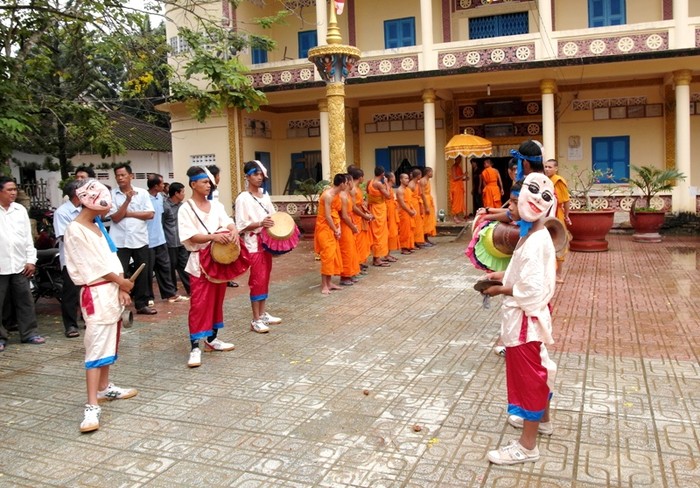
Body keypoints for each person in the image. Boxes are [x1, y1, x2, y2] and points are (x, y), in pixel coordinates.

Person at [481, 172, 558, 465]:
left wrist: (501, 288)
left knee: (528, 379)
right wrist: (500, 275)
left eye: (514, 202)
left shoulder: (537, 240)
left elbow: (532, 288)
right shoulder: (531, 233)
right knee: (539, 369)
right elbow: (522, 272)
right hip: (527, 318)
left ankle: (527, 446)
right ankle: (544, 422)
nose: (510, 208)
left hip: (525, 320)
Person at [64, 179, 137, 433]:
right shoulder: (76, 229)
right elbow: (94, 266)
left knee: (109, 341)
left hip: (110, 292)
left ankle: (105, 388)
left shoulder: (96, 226)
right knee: (95, 347)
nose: (109, 209)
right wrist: (122, 283)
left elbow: (110, 259)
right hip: (96, 293)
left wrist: (120, 288)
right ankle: (92, 404)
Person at [178, 166, 238, 368]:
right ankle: (195, 346)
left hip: (218, 261)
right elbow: (190, 236)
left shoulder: (217, 205)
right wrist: (214, 237)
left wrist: (233, 230)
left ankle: (212, 340)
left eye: (209, 182)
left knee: (216, 301)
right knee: (199, 303)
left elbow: (228, 222)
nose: (208, 185)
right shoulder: (186, 209)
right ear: (193, 184)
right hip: (199, 261)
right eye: (204, 182)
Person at [234, 160, 283, 333]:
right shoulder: (243, 198)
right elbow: (240, 225)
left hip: (266, 243)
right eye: (255, 174)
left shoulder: (265, 195)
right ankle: (255, 319)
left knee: (265, 277)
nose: (259, 177)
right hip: (253, 244)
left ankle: (262, 314)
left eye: (261, 174)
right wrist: (260, 223)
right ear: (247, 177)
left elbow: (273, 216)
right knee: (257, 279)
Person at [0, 176, 46, 352]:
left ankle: (29, 333)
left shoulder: (19, 210)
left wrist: (30, 260)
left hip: (19, 264)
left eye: (14, 190)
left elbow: (28, 238)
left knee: (25, 300)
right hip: (1, 265)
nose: (13, 193)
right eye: (9, 190)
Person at [108, 164, 156, 315]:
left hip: (139, 238)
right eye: (118, 175)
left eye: (123, 175)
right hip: (119, 240)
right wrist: (127, 201)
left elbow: (150, 214)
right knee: (118, 271)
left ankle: (141, 304)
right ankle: (117, 303)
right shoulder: (112, 194)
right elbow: (115, 218)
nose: (120, 178)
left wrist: (127, 214)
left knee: (142, 271)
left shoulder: (142, 193)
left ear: (131, 176)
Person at [146, 173, 188, 304]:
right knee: (150, 270)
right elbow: (162, 221)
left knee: (169, 267)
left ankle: (171, 293)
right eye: (161, 183)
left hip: (166, 241)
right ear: (155, 185)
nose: (164, 185)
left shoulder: (161, 199)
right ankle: (148, 297)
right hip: (153, 240)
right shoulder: (147, 199)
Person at [53, 179, 83, 338]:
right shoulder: (62, 212)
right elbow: (66, 237)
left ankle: (87, 318)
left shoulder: (86, 210)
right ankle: (70, 325)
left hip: (88, 258)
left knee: (87, 291)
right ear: (76, 194)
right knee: (71, 293)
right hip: (72, 259)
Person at [314, 173, 345, 294]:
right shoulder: (327, 195)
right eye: (346, 183)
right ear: (342, 184)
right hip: (324, 229)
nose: (347, 185)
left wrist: (338, 228)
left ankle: (329, 282)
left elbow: (335, 213)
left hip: (332, 228)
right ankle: (324, 285)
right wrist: (336, 229)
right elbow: (327, 216)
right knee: (327, 256)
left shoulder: (337, 195)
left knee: (332, 255)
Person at [544, 159, 571, 283]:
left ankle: (559, 274)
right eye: (546, 167)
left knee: (559, 243)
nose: (547, 169)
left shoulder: (558, 181)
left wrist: (566, 215)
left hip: (557, 214)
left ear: (556, 169)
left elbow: (566, 200)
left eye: (550, 167)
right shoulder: (544, 181)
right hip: (546, 214)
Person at [163, 182, 190, 296]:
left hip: (181, 241)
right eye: (182, 191)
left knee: (184, 265)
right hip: (170, 242)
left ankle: (191, 289)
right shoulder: (165, 206)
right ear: (176, 193)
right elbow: (161, 224)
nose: (184, 194)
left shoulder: (182, 206)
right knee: (171, 267)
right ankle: (172, 292)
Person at [348, 167, 373, 274]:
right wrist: (364, 215)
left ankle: (360, 262)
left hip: (360, 217)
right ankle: (356, 264)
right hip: (355, 218)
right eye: (363, 176)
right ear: (360, 177)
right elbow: (353, 207)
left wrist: (367, 213)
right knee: (357, 241)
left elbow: (361, 204)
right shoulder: (353, 189)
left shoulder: (357, 188)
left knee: (362, 241)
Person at [367, 167, 391, 267]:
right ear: (382, 174)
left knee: (376, 232)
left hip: (373, 208)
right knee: (379, 234)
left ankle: (377, 257)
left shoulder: (369, 182)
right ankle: (377, 259)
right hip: (379, 209)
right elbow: (388, 195)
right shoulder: (378, 183)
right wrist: (386, 184)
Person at [339, 174, 360, 286]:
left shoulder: (347, 195)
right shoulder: (342, 196)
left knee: (351, 250)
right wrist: (353, 226)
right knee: (346, 251)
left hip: (350, 224)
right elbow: (344, 215)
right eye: (352, 181)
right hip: (345, 225)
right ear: (348, 182)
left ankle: (350, 273)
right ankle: (344, 276)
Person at [396, 172, 416, 254]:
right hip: (404, 212)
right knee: (404, 230)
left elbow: (410, 201)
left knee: (410, 229)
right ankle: (404, 248)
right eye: (405, 178)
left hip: (409, 210)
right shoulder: (399, 190)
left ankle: (409, 246)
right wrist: (410, 211)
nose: (407, 180)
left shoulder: (408, 189)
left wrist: (413, 209)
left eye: (408, 178)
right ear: (401, 180)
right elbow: (402, 203)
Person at [408, 168, 426, 248]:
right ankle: (414, 242)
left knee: (419, 223)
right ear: (418, 176)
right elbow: (408, 197)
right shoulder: (411, 184)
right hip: (413, 205)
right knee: (414, 224)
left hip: (418, 204)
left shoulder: (417, 183)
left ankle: (418, 241)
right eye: (420, 175)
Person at [385, 171, 400, 258]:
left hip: (392, 212)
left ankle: (388, 253)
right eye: (394, 176)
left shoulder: (390, 188)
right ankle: (386, 254)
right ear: (390, 178)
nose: (395, 178)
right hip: (388, 213)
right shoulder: (385, 188)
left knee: (393, 232)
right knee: (389, 233)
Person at [421, 167, 437, 246]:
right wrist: (426, 206)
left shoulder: (427, 180)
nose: (432, 174)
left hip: (429, 200)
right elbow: (422, 194)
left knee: (429, 221)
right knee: (425, 221)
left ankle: (427, 238)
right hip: (425, 202)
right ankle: (423, 239)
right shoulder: (423, 181)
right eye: (431, 172)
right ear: (427, 173)